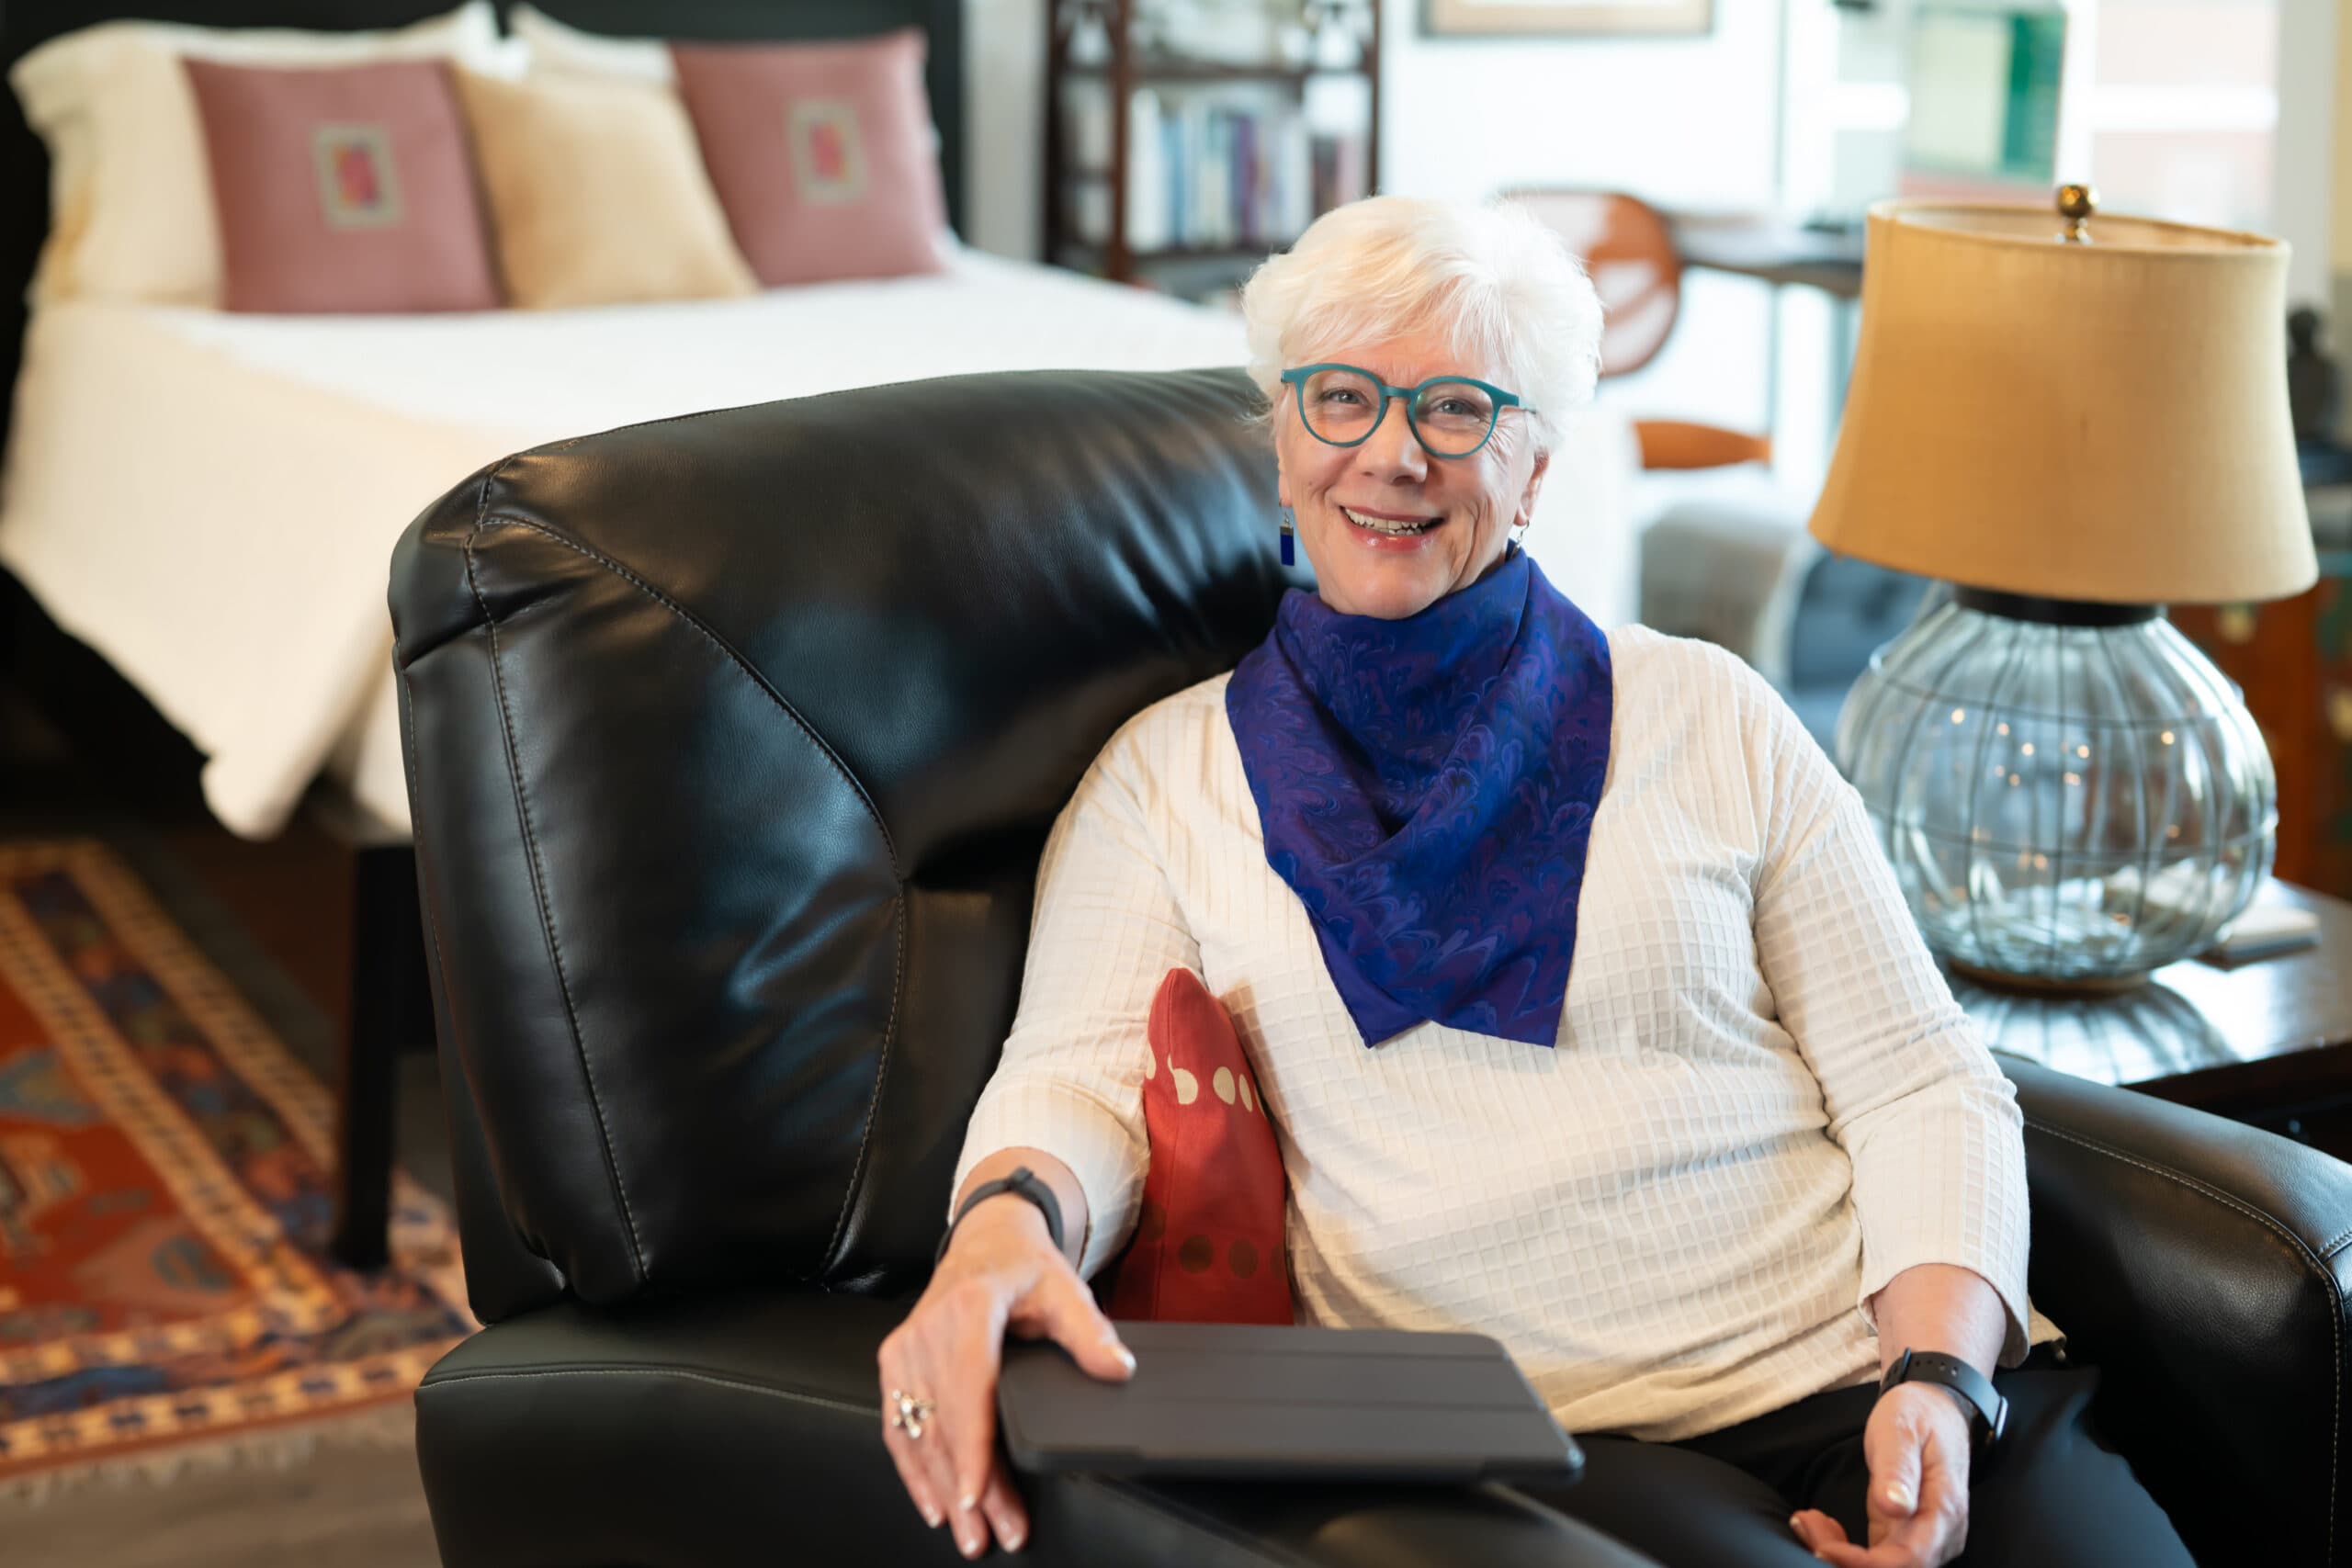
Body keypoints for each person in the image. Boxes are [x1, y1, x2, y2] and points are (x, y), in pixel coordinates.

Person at [876, 196, 2191, 1567]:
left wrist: (1938, 1381)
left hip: (1874, 1363)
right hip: (1540, 1453)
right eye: (1340, 398)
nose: (1391, 454)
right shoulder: (1164, 780)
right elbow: (1078, 1085)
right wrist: (1000, 1233)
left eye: (1456, 409)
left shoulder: (1712, 711)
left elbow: (1921, 1075)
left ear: (1537, 467)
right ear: (1281, 444)